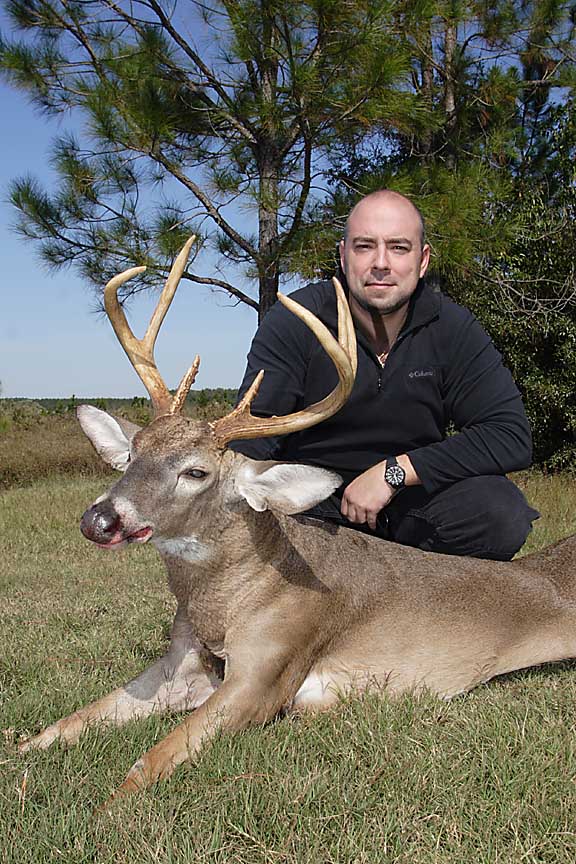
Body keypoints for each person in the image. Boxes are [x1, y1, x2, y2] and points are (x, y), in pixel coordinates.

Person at [231, 189, 539, 561]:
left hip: (409, 499)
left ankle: (422, 606)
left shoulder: (451, 327)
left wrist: (394, 473)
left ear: (422, 261)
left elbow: (510, 435)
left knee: (498, 514)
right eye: (364, 246)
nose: (381, 263)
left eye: (398, 247)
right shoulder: (296, 321)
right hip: (316, 505)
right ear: (343, 256)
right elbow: (253, 438)